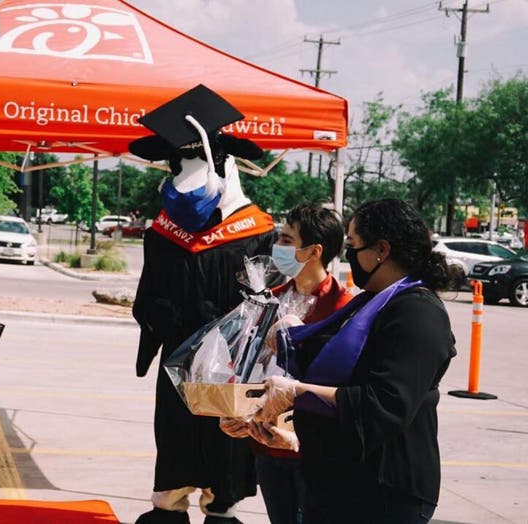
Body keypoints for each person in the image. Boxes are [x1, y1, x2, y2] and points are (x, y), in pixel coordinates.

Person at [254, 198, 456, 524]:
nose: (348, 255)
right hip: (338, 482)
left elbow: (385, 404)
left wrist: (297, 392)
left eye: (353, 245)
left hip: (384, 490)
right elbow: (328, 362)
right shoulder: (369, 303)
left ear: (381, 250)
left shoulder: (418, 313)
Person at [129, 86, 276, 524]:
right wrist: (161, 317)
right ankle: (170, 508)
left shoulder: (256, 232)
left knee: (224, 451)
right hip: (178, 368)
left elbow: (264, 304)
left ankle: (221, 508)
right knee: (175, 446)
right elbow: (146, 296)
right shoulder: (161, 233)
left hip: (231, 370)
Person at [219, 203, 352, 524]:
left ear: (313, 251)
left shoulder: (345, 308)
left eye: (286, 239)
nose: (277, 246)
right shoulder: (268, 302)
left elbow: (344, 386)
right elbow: (244, 367)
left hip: (315, 450)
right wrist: (232, 412)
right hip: (267, 445)